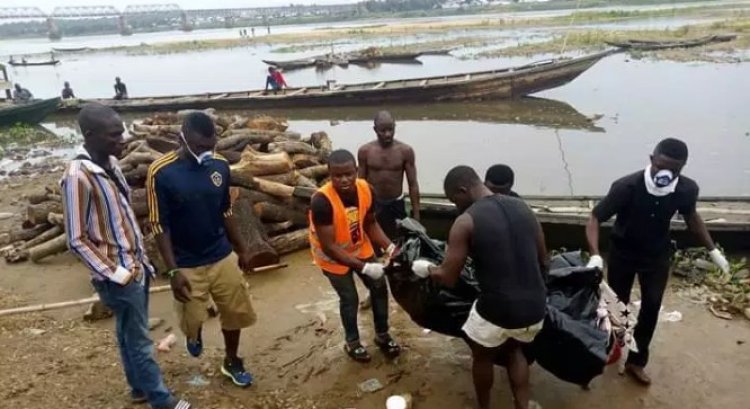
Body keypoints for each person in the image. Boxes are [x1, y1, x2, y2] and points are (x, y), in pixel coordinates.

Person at [60, 103, 191, 409]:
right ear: (90, 135)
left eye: (122, 131)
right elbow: (76, 239)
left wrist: (138, 264)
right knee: (140, 339)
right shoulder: (78, 176)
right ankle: (161, 400)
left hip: (136, 265)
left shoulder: (111, 164)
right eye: (113, 134)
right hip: (119, 274)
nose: (123, 139)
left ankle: (138, 388)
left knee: (127, 333)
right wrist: (116, 273)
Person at [585, 137, 730, 385]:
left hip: (656, 256)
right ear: (651, 159)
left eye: (675, 169)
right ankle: (610, 347)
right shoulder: (626, 186)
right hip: (623, 253)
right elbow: (595, 218)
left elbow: (691, 217)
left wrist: (712, 250)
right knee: (616, 305)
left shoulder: (686, 189)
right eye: (661, 166)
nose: (667, 173)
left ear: (683, 167)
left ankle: (636, 362)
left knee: (651, 307)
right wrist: (595, 254)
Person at [411, 166, 548, 409]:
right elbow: (543, 262)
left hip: (497, 309)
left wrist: (427, 269)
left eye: (455, 200)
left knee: (482, 354)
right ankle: (523, 405)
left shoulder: (465, 222)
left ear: (462, 190)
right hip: (535, 308)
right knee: (515, 349)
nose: (456, 206)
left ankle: (484, 406)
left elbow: (449, 277)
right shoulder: (524, 209)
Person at [146, 112, 257, 387]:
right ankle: (193, 335)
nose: (206, 152)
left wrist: (242, 248)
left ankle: (231, 360)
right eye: (199, 147)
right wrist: (173, 271)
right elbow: (159, 224)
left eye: (211, 146)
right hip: (185, 261)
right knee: (191, 317)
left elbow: (226, 210)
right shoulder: (161, 172)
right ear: (181, 138)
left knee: (235, 311)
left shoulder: (220, 166)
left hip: (220, 253)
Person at [309, 149, 401, 363]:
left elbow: (370, 224)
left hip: (358, 246)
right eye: (337, 176)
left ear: (356, 171)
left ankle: (382, 335)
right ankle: (352, 343)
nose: (344, 180)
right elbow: (330, 246)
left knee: (379, 287)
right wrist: (365, 268)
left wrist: (390, 249)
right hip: (331, 256)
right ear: (329, 175)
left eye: (349, 174)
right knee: (350, 298)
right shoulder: (321, 201)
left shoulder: (366, 189)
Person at [358, 111, 420, 240]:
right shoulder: (365, 151)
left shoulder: (405, 151)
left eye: (391, 130)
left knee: (400, 238)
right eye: (383, 131)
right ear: (375, 130)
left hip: (396, 202)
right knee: (375, 238)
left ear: (395, 127)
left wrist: (416, 213)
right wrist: (360, 209)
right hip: (375, 203)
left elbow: (413, 184)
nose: (387, 134)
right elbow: (360, 184)